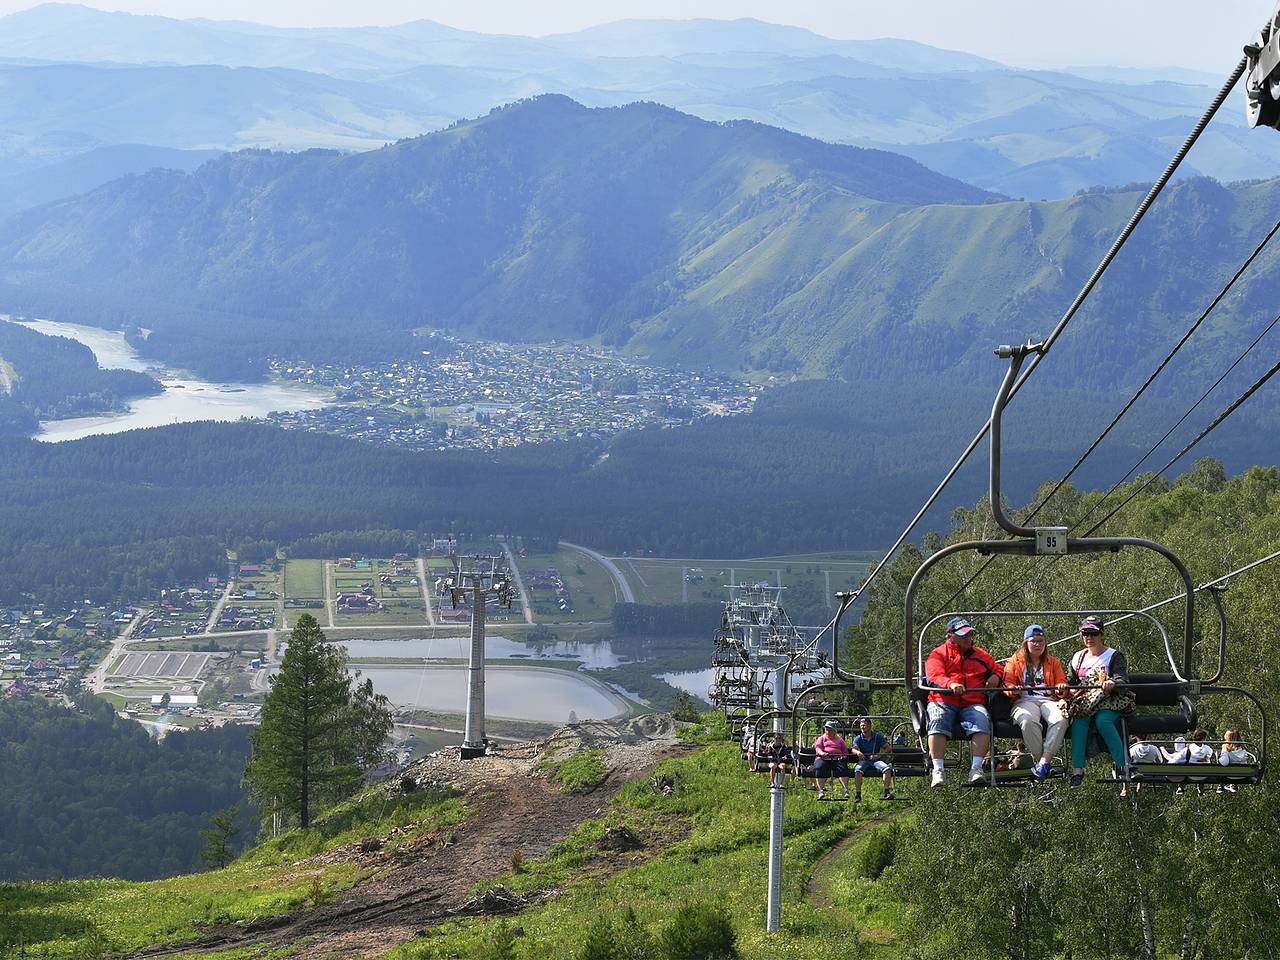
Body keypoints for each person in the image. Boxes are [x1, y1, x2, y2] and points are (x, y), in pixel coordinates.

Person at [924, 617, 1004, 787]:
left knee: (982, 720)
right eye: (963, 635)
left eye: (970, 634)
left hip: (972, 701)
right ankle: (938, 770)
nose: (968, 638)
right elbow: (934, 676)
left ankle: (976, 768)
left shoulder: (980, 655)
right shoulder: (938, 654)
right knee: (937, 719)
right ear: (950, 636)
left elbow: (998, 668)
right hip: (943, 699)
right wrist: (950, 684)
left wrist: (996, 676)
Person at [1065, 616, 1135, 787]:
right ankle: (1077, 770)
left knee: (1103, 721)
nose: (1089, 638)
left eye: (1093, 634)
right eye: (1085, 634)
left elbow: (1123, 681)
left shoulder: (1113, 656)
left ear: (1101, 634)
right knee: (1079, 722)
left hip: (1108, 700)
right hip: (1086, 701)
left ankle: (1125, 765)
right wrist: (1068, 689)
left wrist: (1113, 683)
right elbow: (1070, 681)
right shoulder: (1077, 658)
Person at [1002, 624, 1069, 780]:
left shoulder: (1053, 662)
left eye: (1041, 641)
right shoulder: (1015, 661)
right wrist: (1014, 689)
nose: (1038, 645)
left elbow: (1062, 683)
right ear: (1026, 642)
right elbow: (1007, 683)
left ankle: (1043, 762)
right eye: (1034, 641)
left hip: (1049, 700)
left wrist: (1061, 687)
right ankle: (1042, 762)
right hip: (1024, 700)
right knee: (1027, 721)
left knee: (1061, 719)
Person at [851, 717, 894, 801]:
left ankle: (886, 792)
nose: (862, 727)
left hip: (875, 761)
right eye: (861, 726)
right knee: (857, 771)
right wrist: (858, 752)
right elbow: (853, 749)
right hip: (864, 760)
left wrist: (878, 755)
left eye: (864, 725)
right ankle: (858, 795)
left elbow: (888, 748)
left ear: (870, 726)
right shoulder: (859, 738)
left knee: (887, 769)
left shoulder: (877, 737)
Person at [812, 719, 851, 800]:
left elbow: (845, 751)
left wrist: (843, 757)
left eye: (830, 730)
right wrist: (822, 753)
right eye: (826, 730)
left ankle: (845, 790)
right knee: (819, 767)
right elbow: (818, 747)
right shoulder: (821, 738)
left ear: (834, 730)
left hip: (837, 759)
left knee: (843, 768)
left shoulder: (840, 740)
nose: (828, 732)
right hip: (824, 758)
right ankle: (821, 790)